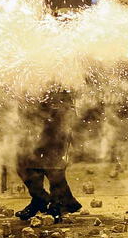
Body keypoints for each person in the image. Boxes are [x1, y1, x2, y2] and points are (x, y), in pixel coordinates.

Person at [15, 88, 82, 222]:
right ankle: (43, 200)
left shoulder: (59, 78)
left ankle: (57, 205)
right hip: (35, 120)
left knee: (53, 167)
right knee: (23, 164)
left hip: (57, 120)